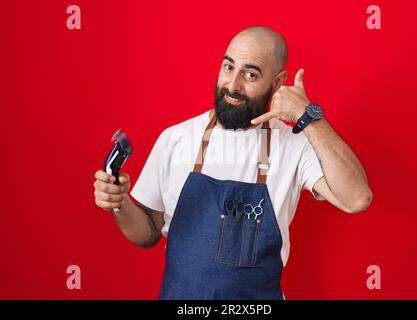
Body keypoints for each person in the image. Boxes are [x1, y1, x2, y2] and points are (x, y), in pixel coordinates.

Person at [93, 25, 372, 300]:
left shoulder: (294, 145)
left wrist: (309, 117)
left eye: (250, 74)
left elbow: (357, 198)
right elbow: (148, 233)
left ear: (277, 82)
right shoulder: (176, 139)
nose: (233, 85)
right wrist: (119, 203)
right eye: (228, 67)